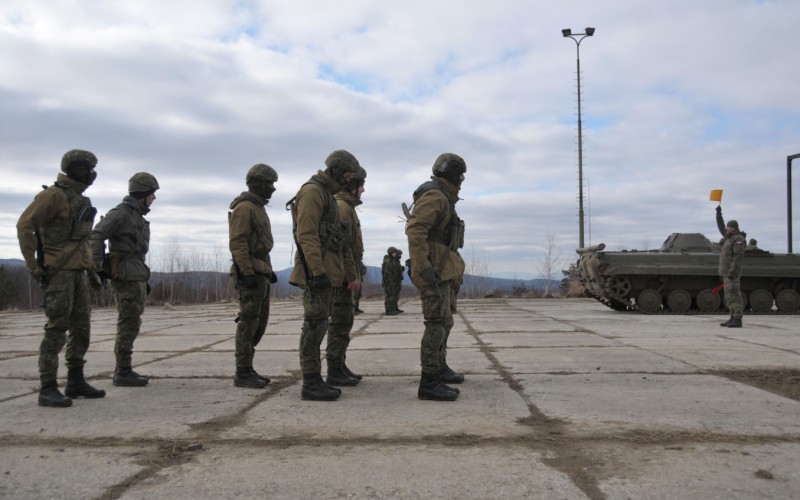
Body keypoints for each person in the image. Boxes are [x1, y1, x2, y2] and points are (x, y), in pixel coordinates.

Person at [16, 149, 106, 407]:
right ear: (77, 169)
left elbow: (83, 242)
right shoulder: (52, 196)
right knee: (56, 330)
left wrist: (91, 271)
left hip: (78, 273)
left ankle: (75, 381)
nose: (92, 174)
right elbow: (25, 225)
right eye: (89, 168)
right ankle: (47, 387)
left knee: (82, 329)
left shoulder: (80, 199)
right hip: (59, 273)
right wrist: (32, 264)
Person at [288, 150, 360, 400]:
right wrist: (317, 273)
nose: (348, 180)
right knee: (314, 326)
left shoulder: (326, 194)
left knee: (319, 326)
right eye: (347, 175)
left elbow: (339, 242)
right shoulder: (313, 192)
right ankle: (311, 382)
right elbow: (306, 234)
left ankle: (318, 379)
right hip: (316, 273)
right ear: (337, 172)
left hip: (328, 272)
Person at [405, 153, 467, 401]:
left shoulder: (444, 197)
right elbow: (416, 230)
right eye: (460, 174)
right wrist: (423, 268)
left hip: (444, 270)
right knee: (436, 325)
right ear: (452, 174)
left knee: (445, 322)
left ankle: (439, 368)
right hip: (435, 272)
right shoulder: (435, 196)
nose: (462, 180)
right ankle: (428, 382)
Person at [91, 172, 160, 387]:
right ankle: (122, 370)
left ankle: (125, 368)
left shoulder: (135, 215)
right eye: (152, 194)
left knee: (133, 322)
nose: (154, 199)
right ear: (143, 194)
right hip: (125, 275)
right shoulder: (121, 214)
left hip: (135, 273)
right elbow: (97, 235)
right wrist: (99, 267)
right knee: (128, 322)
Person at [227, 164, 279, 388]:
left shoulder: (258, 207)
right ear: (259, 183)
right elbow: (238, 243)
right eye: (270, 184)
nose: (273, 189)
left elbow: (260, 244)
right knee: (248, 323)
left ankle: (248, 367)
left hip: (260, 270)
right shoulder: (245, 207)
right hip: (250, 273)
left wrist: (268, 270)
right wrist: (247, 272)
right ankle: (243, 371)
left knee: (259, 323)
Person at [329, 165, 367, 384]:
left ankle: (339, 365)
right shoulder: (343, 207)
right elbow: (344, 248)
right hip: (343, 275)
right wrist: (351, 275)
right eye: (360, 185)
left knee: (344, 323)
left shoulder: (347, 207)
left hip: (346, 273)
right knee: (340, 324)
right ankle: (335, 370)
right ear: (350, 185)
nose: (362, 190)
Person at [716, 206, 746, 328]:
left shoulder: (738, 239)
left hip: (732, 272)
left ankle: (738, 319)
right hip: (726, 272)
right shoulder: (728, 238)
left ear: (733, 228)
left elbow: (738, 256)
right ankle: (732, 316)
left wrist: (733, 271)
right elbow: (720, 226)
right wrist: (718, 213)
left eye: (728, 227)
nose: (726, 229)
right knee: (729, 296)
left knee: (734, 295)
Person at [381, 247, 405, 315]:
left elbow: (395, 270)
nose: (397, 255)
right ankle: (389, 310)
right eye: (395, 253)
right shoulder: (388, 261)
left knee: (395, 295)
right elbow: (389, 273)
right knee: (390, 295)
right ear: (391, 253)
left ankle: (394, 308)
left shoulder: (393, 261)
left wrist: (400, 269)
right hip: (390, 281)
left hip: (395, 281)